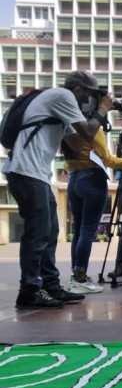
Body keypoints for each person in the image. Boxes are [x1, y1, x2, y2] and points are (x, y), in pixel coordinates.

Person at [1, 71, 116, 309]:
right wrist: (103, 109)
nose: (91, 100)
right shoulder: (62, 95)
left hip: (37, 174)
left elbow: (76, 143)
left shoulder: (60, 107)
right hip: (26, 172)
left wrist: (99, 125)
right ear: (78, 90)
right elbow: (86, 132)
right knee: (38, 232)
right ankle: (29, 290)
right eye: (90, 94)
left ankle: (51, 286)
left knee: (50, 230)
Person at [63, 128, 122, 294]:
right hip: (92, 179)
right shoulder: (93, 129)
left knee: (78, 230)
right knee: (87, 231)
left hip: (74, 178)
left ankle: (77, 275)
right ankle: (80, 278)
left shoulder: (68, 127)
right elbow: (107, 160)